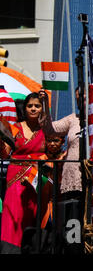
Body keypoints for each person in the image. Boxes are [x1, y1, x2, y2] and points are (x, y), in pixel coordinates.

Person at [0, 92, 46, 253]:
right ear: (25, 108)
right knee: (12, 213)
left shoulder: (46, 130)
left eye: (37, 106)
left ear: (42, 108)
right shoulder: (14, 128)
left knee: (32, 214)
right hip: (15, 177)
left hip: (36, 178)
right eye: (30, 106)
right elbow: (5, 154)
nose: (33, 109)